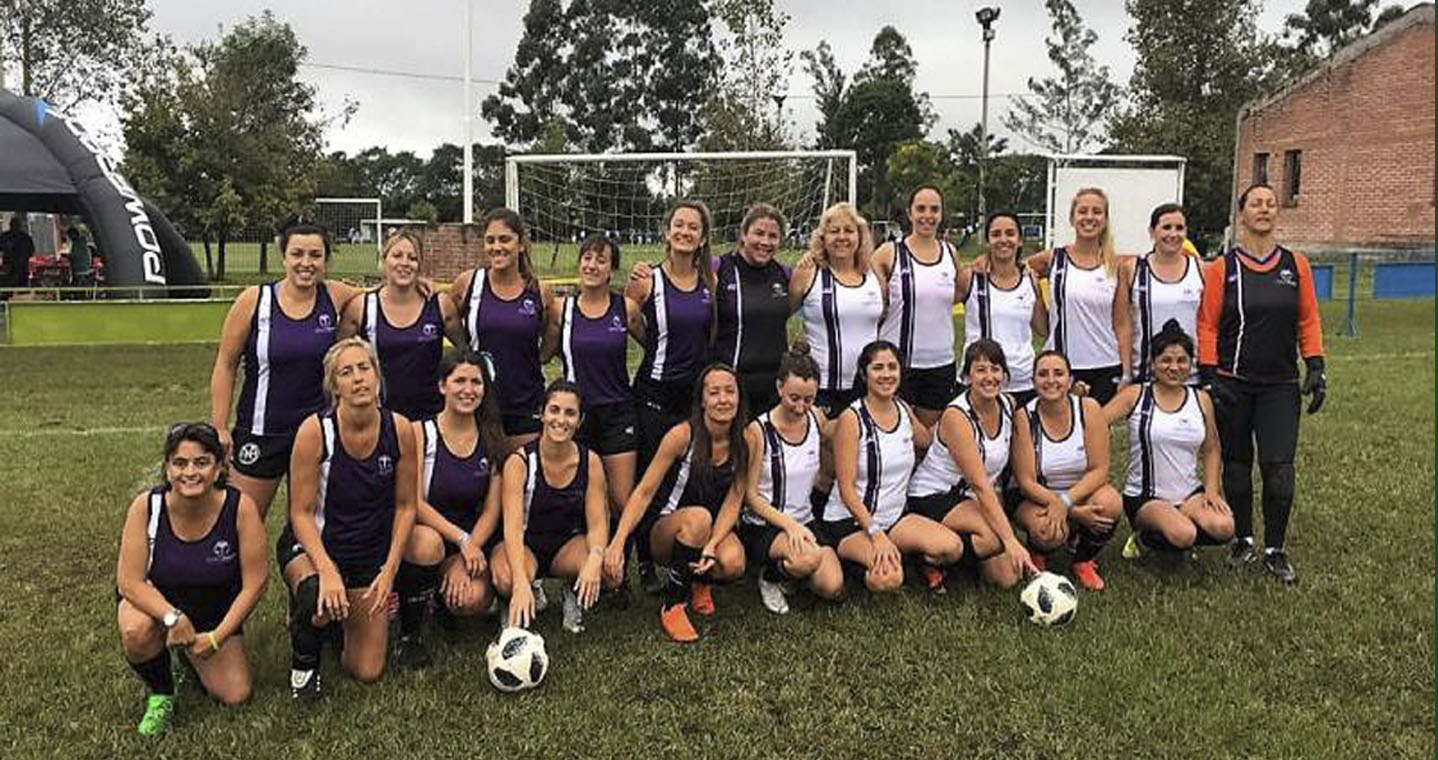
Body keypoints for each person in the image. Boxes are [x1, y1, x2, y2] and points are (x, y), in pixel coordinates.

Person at [1197, 182, 1326, 584]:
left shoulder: (1296, 265)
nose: (1265, 210)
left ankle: (1275, 548)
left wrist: (1316, 365)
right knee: (1236, 468)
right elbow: (1207, 324)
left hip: (1280, 385)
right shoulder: (1223, 268)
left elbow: (1307, 319)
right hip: (1233, 383)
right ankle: (1243, 539)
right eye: (1257, 204)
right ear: (1243, 213)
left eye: (1271, 204)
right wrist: (1208, 374)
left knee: (1279, 471)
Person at [278, 338, 418, 697]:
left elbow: (405, 506)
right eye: (346, 372)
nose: (358, 379)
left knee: (367, 670)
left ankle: (333, 624)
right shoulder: (315, 431)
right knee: (314, 592)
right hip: (315, 546)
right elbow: (301, 513)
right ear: (334, 385)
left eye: (364, 368)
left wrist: (389, 571)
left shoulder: (400, 428)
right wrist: (326, 569)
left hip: (367, 552)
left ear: (377, 375)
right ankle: (304, 666)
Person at [115, 423, 266, 736]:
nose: (190, 472)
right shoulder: (147, 507)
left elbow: (256, 583)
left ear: (219, 468)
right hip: (159, 606)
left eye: (201, 462)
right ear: (167, 468)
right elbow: (128, 582)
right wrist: (172, 617)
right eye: (180, 463)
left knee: (236, 693)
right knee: (136, 630)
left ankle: (190, 655)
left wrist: (217, 637)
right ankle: (162, 693)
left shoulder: (241, 508)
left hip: (213, 609)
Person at [210, 223, 361, 518]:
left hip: (316, 431)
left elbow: (386, 293)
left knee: (312, 522)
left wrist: (427, 286)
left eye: (315, 255)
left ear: (325, 261)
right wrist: (218, 426)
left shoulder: (335, 295)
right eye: (298, 254)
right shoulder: (255, 300)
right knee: (243, 519)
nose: (306, 263)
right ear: (284, 258)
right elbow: (225, 365)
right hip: (261, 431)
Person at [606, 364, 748, 643]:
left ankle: (699, 581)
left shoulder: (744, 440)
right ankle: (673, 604)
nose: (723, 399)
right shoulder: (682, 435)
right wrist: (618, 541)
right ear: (702, 400)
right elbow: (644, 491)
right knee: (698, 519)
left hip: (707, 529)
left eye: (730, 391)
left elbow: (735, 499)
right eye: (714, 392)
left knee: (733, 563)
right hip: (666, 530)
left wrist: (711, 545)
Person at [623, 201, 717, 589]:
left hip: (694, 398)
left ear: (703, 237)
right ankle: (644, 561)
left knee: (689, 475)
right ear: (667, 232)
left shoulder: (710, 282)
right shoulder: (647, 279)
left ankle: (686, 551)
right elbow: (627, 318)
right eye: (678, 225)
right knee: (648, 476)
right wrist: (654, 345)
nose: (684, 232)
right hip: (653, 393)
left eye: (692, 227)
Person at [818, 340, 959, 594]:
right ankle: (853, 562)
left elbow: (926, 440)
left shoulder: (903, 409)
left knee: (951, 547)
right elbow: (847, 490)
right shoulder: (852, 418)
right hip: (852, 521)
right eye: (878, 368)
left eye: (892, 367)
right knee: (888, 580)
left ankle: (901, 556)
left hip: (894, 519)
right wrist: (875, 533)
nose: (886, 375)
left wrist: (958, 416)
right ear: (864, 374)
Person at [396, 349, 508, 667]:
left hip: (474, 541)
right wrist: (461, 541)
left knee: (471, 599)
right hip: (433, 535)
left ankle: (442, 601)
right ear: (443, 386)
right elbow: (412, 501)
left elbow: (492, 510)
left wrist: (469, 548)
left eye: (476, 382)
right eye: (459, 380)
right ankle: (410, 635)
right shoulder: (420, 433)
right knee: (426, 543)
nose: (468, 389)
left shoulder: (492, 437)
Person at [907, 340, 1037, 590]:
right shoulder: (958, 416)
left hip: (971, 497)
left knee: (1006, 578)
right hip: (935, 494)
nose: (990, 377)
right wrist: (1010, 540)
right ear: (967, 376)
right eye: (980, 370)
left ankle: (957, 555)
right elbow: (980, 484)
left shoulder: (1008, 406)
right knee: (993, 538)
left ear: (1005, 374)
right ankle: (929, 559)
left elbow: (999, 478)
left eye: (996, 369)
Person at [1104, 320, 1235, 560]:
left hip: (1188, 495)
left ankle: (1175, 531)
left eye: (1182, 360)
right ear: (1152, 363)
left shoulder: (1201, 399)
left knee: (1224, 527)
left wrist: (1213, 492)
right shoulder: (1136, 395)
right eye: (1166, 360)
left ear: (1191, 364)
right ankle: (1144, 538)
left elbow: (1212, 447)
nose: (1174, 367)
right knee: (1183, 534)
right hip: (1146, 498)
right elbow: (1097, 422)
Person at [493, 380, 614, 634]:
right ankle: (515, 597)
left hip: (565, 548)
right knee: (506, 578)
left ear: (580, 421)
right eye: (554, 410)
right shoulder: (520, 462)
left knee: (608, 568)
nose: (561, 419)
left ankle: (572, 589)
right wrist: (519, 582)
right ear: (542, 413)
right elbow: (512, 529)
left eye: (570, 413)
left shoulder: (590, 461)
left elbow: (598, 523)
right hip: (525, 546)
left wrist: (594, 557)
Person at [547, 233, 643, 544]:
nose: (592, 265)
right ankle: (576, 566)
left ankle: (618, 566)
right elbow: (543, 354)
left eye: (601, 260)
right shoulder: (562, 310)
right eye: (587, 258)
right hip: (575, 415)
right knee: (575, 495)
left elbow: (656, 345)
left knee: (619, 498)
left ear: (611, 269)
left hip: (618, 411)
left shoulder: (625, 308)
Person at [741, 344, 843, 614]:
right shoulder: (758, 430)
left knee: (831, 585)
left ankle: (791, 570)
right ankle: (772, 575)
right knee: (808, 559)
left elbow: (828, 459)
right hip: (764, 523)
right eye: (794, 398)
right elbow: (749, 496)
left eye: (808, 399)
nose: (800, 407)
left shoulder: (816, 419)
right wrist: (789, 526)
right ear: (779, 388)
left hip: (804, 519)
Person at [1010, 350, 1122, 591]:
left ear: (1070, 380)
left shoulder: (1088, 408)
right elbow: (1026, 481)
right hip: (1037, 497)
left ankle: (1082, 559)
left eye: (1058, 374)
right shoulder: (1024, 416)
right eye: (1043, 374)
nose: (1051, 380)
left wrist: (1067, 502)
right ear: (1033, 382)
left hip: (1077, 492)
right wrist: (1069, 510)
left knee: (1110, 503)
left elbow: (1100, 469)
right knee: (1047, 531)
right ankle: (1040, 552)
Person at [450, 208, 558, 451]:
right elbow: (444, 317)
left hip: (526, 405)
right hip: (479, 404)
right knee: (482, 483)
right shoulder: (468, 284)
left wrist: (537, 359)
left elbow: (551, 339)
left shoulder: (539, 292)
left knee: (523, 482)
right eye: (490, 240)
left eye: (505, 239)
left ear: (520, 244)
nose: (497, 247)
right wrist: (465, 351)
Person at [341, 230, 464, 420]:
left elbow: (465, 353)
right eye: (397, 255)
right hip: (379, 419)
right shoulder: (361, 307)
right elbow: (338, 361)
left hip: (430, 417)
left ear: (420, 265)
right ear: (383, 260)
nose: (404, 263)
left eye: (412, 258)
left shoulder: (440, 305)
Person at [1021, 188, 1125, 404]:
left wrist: (1127, 373)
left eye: (1097, 212)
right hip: (1062, 366)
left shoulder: (1116, 265)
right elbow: (1012, 268)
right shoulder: (1054, 259)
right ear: (1072, 218)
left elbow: (1122, 323)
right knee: (1060, 432)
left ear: (1105, 220)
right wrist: (1037, 296)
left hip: (1106, 365)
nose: (1089, 217)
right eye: (1083, 211)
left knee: (1097, 433)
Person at [875, 185, 962, 428]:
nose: (928, 215)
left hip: (940, 364)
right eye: (921, 208)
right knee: (897, 435)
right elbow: (856, 274)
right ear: (910, 213)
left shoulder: (950, 253)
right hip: (897, 364)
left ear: (942, 214)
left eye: (934, 209)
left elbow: (962, 292)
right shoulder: (889, 252)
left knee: (927, 441)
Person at [792, 202, 885, 418]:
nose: (842, 237)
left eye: (849, 231)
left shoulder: (873, 274)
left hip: (868, 385)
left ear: (860, 238)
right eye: (834, 231)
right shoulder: (808, 272)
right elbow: (783, 315)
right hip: (822, 385)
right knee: (827, 447)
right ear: (823, 237)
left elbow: (884, 315)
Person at [711, 203, 796, 416]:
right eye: (759, 233)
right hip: (731, 387)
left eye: (773, 236)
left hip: (774, 388)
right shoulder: (719, 268)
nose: (765, 242)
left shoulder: (785, 275)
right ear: (743, 234)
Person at [961, 212, 1046, 406]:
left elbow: (1042, 329)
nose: (1004, 240)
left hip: (1022, 381)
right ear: (987, 241)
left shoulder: (1030, 280)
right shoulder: (971, 278)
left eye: (1010, 233)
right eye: (996, 234)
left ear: (1020, 240)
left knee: (1022, 436)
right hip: (980, 381)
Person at [1115, 204, 1203, 384]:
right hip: (1146, 374)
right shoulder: (1132, 269)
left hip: (1190, 375)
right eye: (1166, 227)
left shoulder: (1201, 269)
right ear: (1152, 231)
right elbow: (1123, 324)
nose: (1173, 234)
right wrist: (1126, 373)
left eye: (1179, 228)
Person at [0, 215, 35, 290]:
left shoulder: (25, 238)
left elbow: (31, 251)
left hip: (21, 269)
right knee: (8, 288)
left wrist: (23, 259)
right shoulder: (5, 237)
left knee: (21, 289)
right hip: (9, 268)